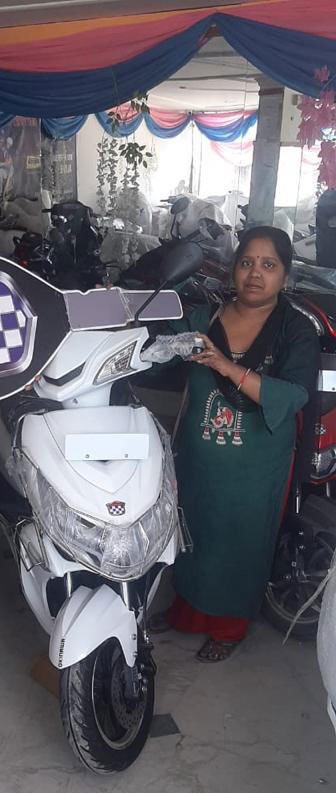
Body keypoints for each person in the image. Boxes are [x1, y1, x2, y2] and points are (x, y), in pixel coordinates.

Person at [151, 226, 320, 661]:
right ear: (233, 269)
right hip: (198, 459)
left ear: (285, 275)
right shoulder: (204, 318)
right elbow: (156, 347)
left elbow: (294, 395)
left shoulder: (295, 330)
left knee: (239, 540)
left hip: (256, 467)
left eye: (269, 265)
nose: (255, 274)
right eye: (246, 263)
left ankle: (229, 627)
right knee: (192, 532)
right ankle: (187, 611)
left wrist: (226, 366)